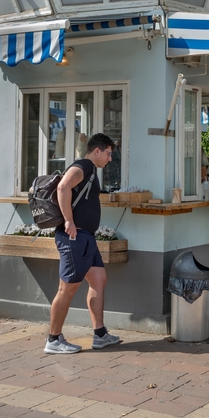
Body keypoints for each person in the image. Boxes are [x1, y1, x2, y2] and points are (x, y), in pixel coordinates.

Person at [46, 133, 121, 354]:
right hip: (74, 237)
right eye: (108, 154)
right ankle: (53, 339)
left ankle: (100, 335)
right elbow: (62, 187)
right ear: (96, 150)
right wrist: (68, 220)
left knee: (98, 280)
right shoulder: (84, 166)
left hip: (86, 237)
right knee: (67, 289)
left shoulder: (91, 170)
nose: (109, 159)